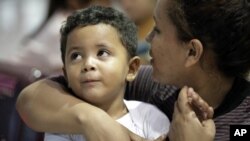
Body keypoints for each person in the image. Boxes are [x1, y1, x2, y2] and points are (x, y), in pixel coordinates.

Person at [17, 0, 250, 140]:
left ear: (192, 52)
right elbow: (31, 98)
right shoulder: (153, 85)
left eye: (157, 30)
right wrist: (91, 119)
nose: (147, 38)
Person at [42, 5, 170, 141]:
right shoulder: (62, 127)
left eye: (102, 53)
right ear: (66, 74)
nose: (88, 64)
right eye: (76, 56)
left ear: (131, 68)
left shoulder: (150, 118)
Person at [119, 0, 156, 64]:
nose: (127, 5)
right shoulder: (120, 37)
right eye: (122, 0)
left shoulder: (168, 36)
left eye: (133, 0)